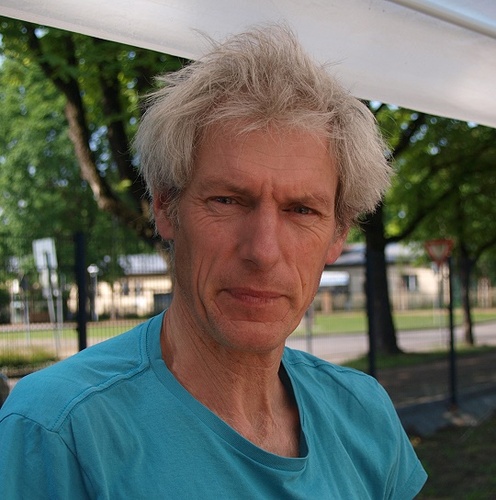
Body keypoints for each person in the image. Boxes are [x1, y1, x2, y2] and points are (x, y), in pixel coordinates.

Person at [0, 25, 427, 498]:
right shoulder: (59, 430)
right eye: (227, 200)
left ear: (338, 234)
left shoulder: (364, 413)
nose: (263, 251)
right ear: (165, 207)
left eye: (302, 210)